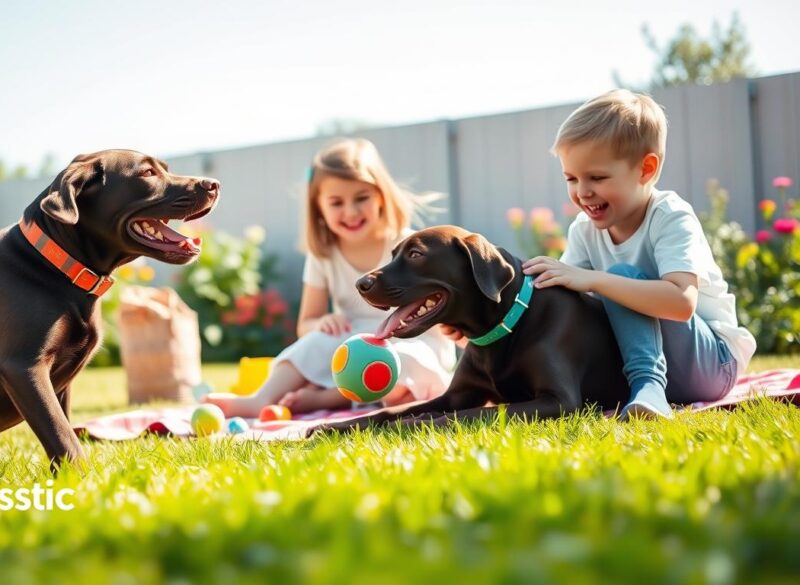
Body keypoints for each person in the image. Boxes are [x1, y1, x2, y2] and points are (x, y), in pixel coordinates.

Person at [522, 89, 756, 418]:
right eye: (571, 178)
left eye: (597, 177)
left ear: (645, 169)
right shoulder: (583, 231)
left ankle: (650, 387)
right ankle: (646, 388)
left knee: (620, 278)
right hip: (636, 364)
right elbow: (565, 309)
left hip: (712, 364)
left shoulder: (670, 215)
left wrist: (594, 280)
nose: (583, 191)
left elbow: (681, 303)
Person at [204, 138, 459, 417]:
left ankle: (326, 398)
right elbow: (306, 324)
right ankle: (261, 398)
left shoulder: (410, 245)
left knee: (405, 364)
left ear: (382, 196)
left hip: (413, 337)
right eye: (336, 202)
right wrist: (321, 323)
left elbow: (441, 307)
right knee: (313, 344)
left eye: (362, 198)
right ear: (319, 208)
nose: (350, 211)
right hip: (354, 340)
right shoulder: (323, 254)